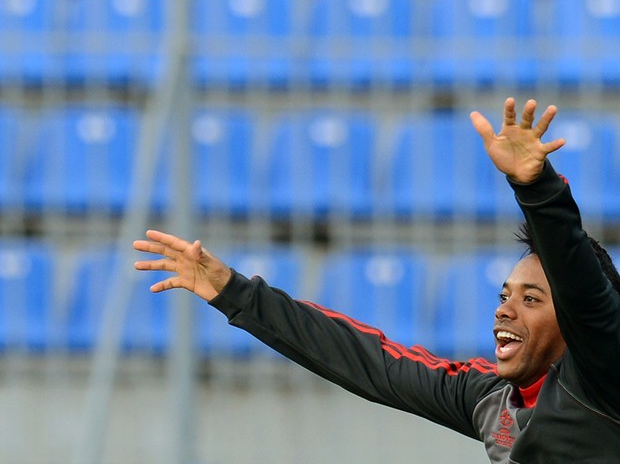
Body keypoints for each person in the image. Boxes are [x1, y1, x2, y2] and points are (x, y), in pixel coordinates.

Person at [133, 98, 620, 463]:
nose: (504, 310)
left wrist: (536, 189)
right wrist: (234, 292)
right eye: (504, 294)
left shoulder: (603, 375)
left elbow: (584, 290)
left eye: (531, 298)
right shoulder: (490, 396)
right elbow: (371, 362)